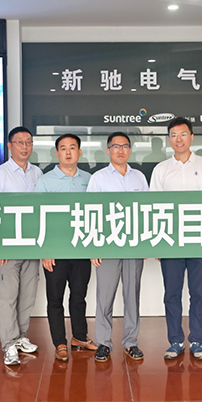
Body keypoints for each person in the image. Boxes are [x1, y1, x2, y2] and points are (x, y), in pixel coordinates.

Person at [149, 117, 202, 360]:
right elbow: (153, 207)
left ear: (191, 137)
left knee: (198, 293)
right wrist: (157, 242)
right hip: (170, 241)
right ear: (168, 139)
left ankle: (197, 341)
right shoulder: (161, 169)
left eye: (183, 134)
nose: (178, 139)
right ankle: (175, 341)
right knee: (171, 293)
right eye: (173, 135)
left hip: (201, 240)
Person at [86, 132, 149, 362]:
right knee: (105, 296)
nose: (120, 150)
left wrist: (147, 244)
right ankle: (103, 342)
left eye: (125, 146)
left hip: (134, 246)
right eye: (116, 146)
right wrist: (94, 247)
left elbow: (147, 210)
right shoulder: (99, 178)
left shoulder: (139, 177)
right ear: (108, 150)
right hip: (107, 246)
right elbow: (90, 212)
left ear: (130, 150)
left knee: (132, 295)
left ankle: (131, 342)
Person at [35, 133, 97, 362]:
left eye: (72, 148)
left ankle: (79, 337)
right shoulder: (45, 181)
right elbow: (37, 216)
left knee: (79, 296)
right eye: (63, 148)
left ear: (79, 152)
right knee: (55, 298)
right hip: (55, 250)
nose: (68, 152)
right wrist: (45, 250)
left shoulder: (90, 179)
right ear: (57, 153)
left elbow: (97, 212)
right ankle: (60, 342)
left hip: (82, 248)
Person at [0, 126, 43, 366]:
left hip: (33, 243)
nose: (25, 146)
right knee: (7, 297)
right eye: (19, 142)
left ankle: (20, 336)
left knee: (27, 295)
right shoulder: (0, 173)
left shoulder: (38, 173)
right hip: (8, 245)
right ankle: (9, 343)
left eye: (28, 142)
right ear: (10, 146)